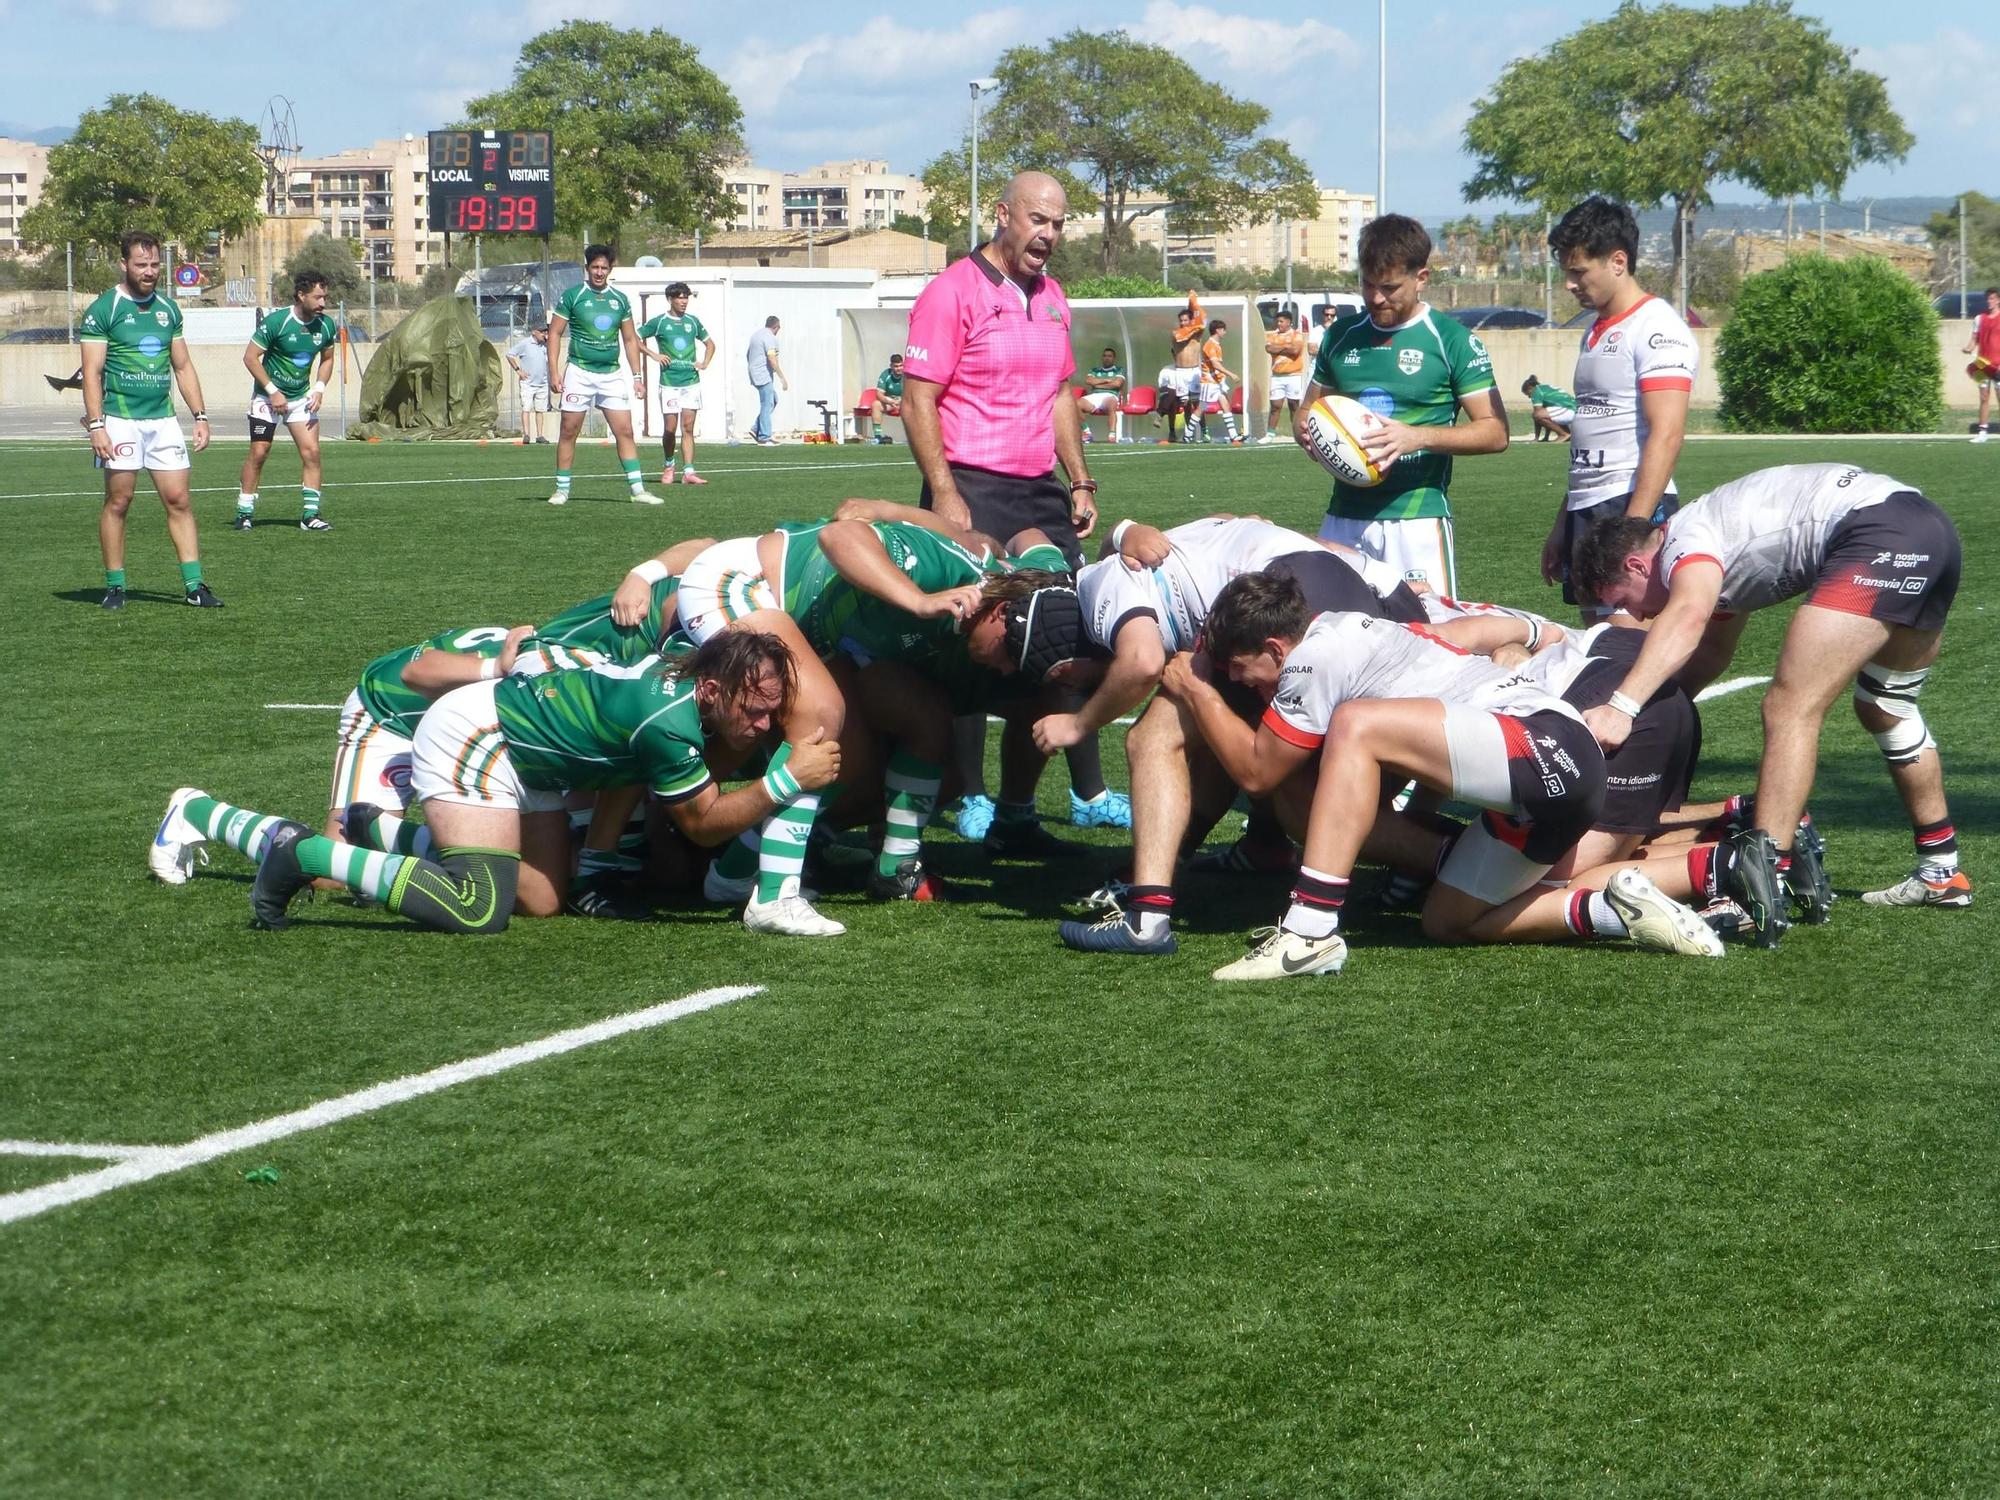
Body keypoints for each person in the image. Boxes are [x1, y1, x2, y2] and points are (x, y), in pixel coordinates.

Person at [167, 633, 834, 935]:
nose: (766, 722)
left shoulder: (681, 682)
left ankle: (385, 830)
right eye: (755, 709)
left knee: (540, 902)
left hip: (530, 758)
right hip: (480, 738)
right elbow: (702, 822)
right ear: (712, 689)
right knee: (477, 907)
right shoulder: (667, 724)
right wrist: (784, 780)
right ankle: (301, 852)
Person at [1572, 463, 1970, 941]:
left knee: (1790, 710)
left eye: (1627, 601)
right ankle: (1941, 873)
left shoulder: (1681, 543)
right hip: (1929, 529)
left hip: (1879, 532)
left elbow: (1688, 616)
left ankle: (1761, 881)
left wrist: (1622, 706)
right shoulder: (1712, 557)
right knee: (1886, 707)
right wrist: (1657, 718)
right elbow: (1711, 654)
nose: (1638, 614)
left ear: (1637, 565)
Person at [1169, 572, 1617, 980]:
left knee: (1354, 725)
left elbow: (1256, 774)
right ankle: (1615, 909)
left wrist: (1196, 689)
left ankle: (1310, 931)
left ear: (1274, 648)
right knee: (1446, 922)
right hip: (1554, 789)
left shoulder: (1313, 657)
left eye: (1240, 670)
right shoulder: (1341, 632)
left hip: (1545, 744)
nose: (1240, 681)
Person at [901, 168, 1128, 844]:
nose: (1049, 235)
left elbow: (1061, 394)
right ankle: (971, 795)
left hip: (1038, 491)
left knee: (1066, 636)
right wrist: (945, 495)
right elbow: (918, 401)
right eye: (1038, 220)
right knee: (970, 641)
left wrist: (1079, 480)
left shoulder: (1054, 296)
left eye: (1058, 223)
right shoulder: (951, 292)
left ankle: (1067, 798)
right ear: (1004, 215)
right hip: (967, 485)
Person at [1298, 214, 1507, 596]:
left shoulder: (1451, 341)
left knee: (1428, 636)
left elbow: (1495, 432)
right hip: (1343, 516)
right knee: (1327, 633)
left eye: (1390, 287)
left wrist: (1416, 437)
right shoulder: (1341, 337)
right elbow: (1308, 409)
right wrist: (1309, 434)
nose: (1376, 297)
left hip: (1415, 520)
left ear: (1421, 278)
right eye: (1367, 284)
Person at [1541, 198, 1696, 618]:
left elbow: (1667, 433)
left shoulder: (1657, 328)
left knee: (1633, 639)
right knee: (1598, 637)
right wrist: (1564, 523)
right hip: (1588, 504)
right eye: (1566, 273)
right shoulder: (1593, 331)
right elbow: (1591, 432)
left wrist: (1632, 530)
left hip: (1628, 502)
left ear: (1617, 261)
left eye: (1578, 272)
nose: (1570, 284)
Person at [80, 231, 220, 612]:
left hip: (163, 422)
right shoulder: (104, 310)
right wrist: (96, 425)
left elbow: (183, 366)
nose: (149, 272)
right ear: (123, 264)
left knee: (178, 499)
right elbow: (91, 373)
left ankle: (194, 586)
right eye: (141, 265)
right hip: (120, 421)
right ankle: (116, 586)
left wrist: (201, 416)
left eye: (155, 264)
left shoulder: (169, 310)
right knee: (119, 500)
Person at [546, 244, 660, 506]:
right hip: (579, 371)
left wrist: (637, 377)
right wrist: (554, 371)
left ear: (610, 270)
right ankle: (562, 489)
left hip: (611, 374)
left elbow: (630, 339)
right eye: (595, 267)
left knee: (625, 430)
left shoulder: (619, 299)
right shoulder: (573, 296)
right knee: (568, 430)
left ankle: (638, 490)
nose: (599, 272)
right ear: (587, 268)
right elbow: (554, 333)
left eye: (604, 268)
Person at [235, 271, 339, 532]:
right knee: (259, 453)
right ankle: (244, 511)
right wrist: (272, 391)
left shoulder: (326, 326)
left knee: (312, 453)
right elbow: (250, 358)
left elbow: (327, 359)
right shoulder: (277, 322)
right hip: (266, 398)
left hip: (300, 398)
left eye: (325, 297)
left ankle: (310, 515)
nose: (323, 303)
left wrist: (319, 388)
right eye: (317, 297)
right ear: (301, 295)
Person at [638, 281, 715, 486]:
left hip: (691, 381)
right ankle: (669, 465)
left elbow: (710, 344)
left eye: (686, 297)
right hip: (669, 382)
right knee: (670, 429)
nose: (684, 301)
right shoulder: (660, 322)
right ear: (670, 299)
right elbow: (634, 338)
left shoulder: (693, 322)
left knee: (688, 427)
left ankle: (689, 471)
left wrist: (705, 363)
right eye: (680, 297)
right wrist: (653, 354)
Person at [1158, 295, 1205, 443]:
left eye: (1186, 320)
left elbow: (1202, 321)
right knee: (1184, 404)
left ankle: (1204, 432)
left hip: (1194, 371)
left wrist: (1193, 303)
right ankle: (1188, 434)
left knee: (1197, 403)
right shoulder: (1176, 333)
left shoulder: (1198, 332)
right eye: (1181, 320)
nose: (1183, 323)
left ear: (1190, 320)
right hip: (1181, 371)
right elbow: (1180, 338)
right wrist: (1193, 328)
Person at [1261, 310, 1306, 443]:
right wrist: (1286, 347)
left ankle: (1296, 434)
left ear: (1288, 322)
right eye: (1277, 321)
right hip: (1277, 376)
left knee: (1293, 405)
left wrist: (1279, 348)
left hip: (1294, 375)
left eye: (1281, 321)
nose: (1278, 323)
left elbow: (1295, 350)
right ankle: (1270, 434)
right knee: (1275, 405)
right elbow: (1269, 348)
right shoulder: (1273, 335)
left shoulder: (1297, 335)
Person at [506, 324, 552, 444]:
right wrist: (518, 370)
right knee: (526, 408)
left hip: (542, 383)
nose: (544, 334)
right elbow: (510, 355)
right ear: (534, 332)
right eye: (542, 332)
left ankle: (540, 435)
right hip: (528, 383)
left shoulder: (545, 346)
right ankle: (526, 435)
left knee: (540, 410)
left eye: (546, 332)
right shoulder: (525, 344)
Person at [1197, 318, 1242, 444]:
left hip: (1217, 382)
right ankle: (1188, 435)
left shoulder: (1216, 345)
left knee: (1226, 405)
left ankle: (1234, 436)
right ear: (1217, 330)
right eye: (1223, 330)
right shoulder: (1210, 345)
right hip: (1209, 381)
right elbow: (1216, 365)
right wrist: (1231, 374)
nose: (1225, 332)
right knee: (1201, 408)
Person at [1964, 287, 1999, 442]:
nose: (1989, 301)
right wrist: (1968, 348)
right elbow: (1973, 340)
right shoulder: (1979, 319)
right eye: (1988, 298)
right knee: (1983, 397)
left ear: (1998, 300)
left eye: (1992, 298)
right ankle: (1982, 432)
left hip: (1998, 365)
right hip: (1981, 364)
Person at [746, 315, 788, 445]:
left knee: (772, 400)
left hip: (755, 373)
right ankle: (764, 437)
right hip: (763, 375)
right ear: (776, 327)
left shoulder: (756, 335)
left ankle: (756, 428)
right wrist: (782, 378)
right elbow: (771, 357)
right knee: (767, 403)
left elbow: (748, 354)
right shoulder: (770, 338)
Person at [1075, 346, 1125, 442]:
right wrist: (1107, 381)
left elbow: (1117, 384)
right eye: (1105, 356)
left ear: (1114, 358)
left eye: (1109, 356)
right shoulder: (1095, 370)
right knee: (1076, 404)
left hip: (1110, 395)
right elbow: (1089, 381)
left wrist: (1098, 384)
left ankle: (1112, 435)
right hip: (1095, 396)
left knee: (1111, 404)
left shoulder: (1119, 370)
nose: (1107, 358)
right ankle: (1086, 432)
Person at [861, 353, 906, 444]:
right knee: (876, 405)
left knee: (917, 406)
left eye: (901, 365)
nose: (899, 368)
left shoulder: (907, 375)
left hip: (905, 402)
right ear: (891, 366)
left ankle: (915, 438)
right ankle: (878, 437)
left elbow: (914, 392)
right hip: (890, 403)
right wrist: (889, 401)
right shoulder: (886, 375)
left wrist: (902, 401)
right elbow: (879, 394)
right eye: (896, 366)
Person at [1520, 374, 1576, 442]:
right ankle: (1566, 434)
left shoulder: (1536, 391)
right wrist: (1546, 437)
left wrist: (1536, 438)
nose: (1529, 397)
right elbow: (1546, 419)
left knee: (1537, 414)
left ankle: (1564, 434)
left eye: (1528, 394)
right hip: (1573, 411)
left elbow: (1538, 414)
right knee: (1541, 414)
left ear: (1530, 388)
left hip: (1569, 410)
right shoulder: (1544, 388)